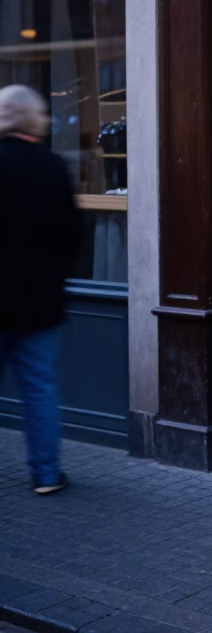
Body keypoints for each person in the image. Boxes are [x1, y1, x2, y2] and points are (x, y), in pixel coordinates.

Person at [0, 85, 80, 494]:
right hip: (39, 301)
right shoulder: (53, 166)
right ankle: (46, 475)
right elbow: (71, 235)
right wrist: (54, 274)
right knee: (40, 390)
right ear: (38, 120)